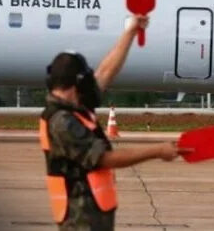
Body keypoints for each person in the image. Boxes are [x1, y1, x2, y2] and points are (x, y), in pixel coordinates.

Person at [39, 15, 187, 231]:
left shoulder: (75, 105)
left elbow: (106, 72)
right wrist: (157, 150)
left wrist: (130, 32)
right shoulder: (61, 122)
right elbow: (106, 159)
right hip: (78, 221)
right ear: (76, 84)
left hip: (93, 217)